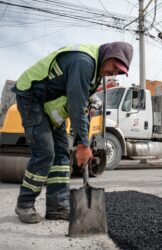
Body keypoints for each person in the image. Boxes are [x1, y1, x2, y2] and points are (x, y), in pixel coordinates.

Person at [13, 42, 133, 223]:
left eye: (119, 71)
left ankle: (57, 206)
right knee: (46, 151)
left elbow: (82, 107)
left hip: (51, 105)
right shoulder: (83, 62)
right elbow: (77, 105)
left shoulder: (96, 73)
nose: (114, 73)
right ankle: (25, 204)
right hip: (31, 96)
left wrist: (79, 142)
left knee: (62, 154)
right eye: (114, 67)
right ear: (107, 55)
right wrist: (84, 145)